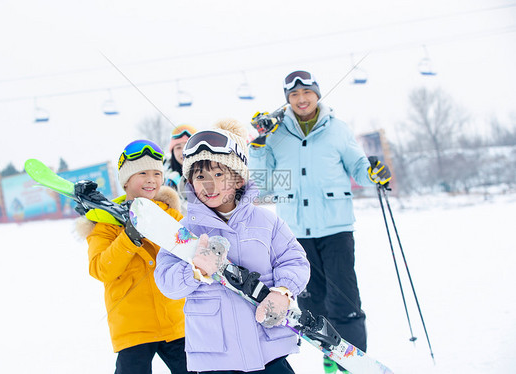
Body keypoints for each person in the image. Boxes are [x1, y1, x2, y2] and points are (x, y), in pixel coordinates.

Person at [248, 70, 392, 374]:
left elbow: (358, 167)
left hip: (336, 228)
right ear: (287, 100)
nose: (302, 100)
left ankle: (353, 360)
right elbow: (262, 185)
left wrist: (373, 174)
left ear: (317, 94)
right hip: (295, 233)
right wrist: (258, 145)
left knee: (345, 299)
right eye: (294, 95)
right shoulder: (274, 134)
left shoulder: (337, 129)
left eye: (307, 93)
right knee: (313, 304)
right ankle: (330, 352)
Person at [153, 119, 311, 373]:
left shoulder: (266, 222)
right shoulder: (183, 232)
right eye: (200, 175)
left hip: (268, 351)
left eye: (218, 174)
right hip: (216, 357)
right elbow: (166, 282)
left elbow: (294, 260)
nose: (209, 184)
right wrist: (194, 271)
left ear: (238, 179)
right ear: (190, 182)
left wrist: (282, 292)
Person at [75, 139, 192, 374]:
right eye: (143, 172)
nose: (151, 179)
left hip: (176, 324)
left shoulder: (171, 217)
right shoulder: (105, 223)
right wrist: (129, 236)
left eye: (157, 173)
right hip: (133, 329)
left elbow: (191, 255)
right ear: (126, 180)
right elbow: (101, 269)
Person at [165, 124, 197, 215]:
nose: (183, 152)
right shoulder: (167, 180)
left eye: (188, 146)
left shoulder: (210, 174)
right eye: (178, 147)